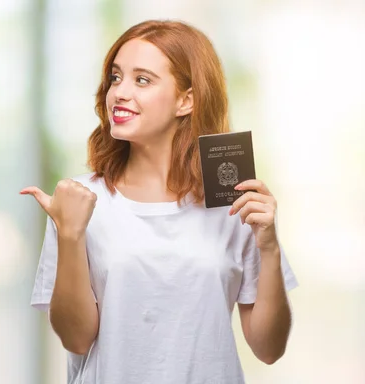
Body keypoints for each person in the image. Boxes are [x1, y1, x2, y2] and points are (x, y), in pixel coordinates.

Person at [20, 19, 298, 384]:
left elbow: (268, 348)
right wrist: (70, 234)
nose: (119, 92)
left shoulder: (234, 204)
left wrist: (270, 249)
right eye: (116, 77)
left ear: (186, 100)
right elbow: (76, 338)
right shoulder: (80, 200)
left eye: (142, 80)